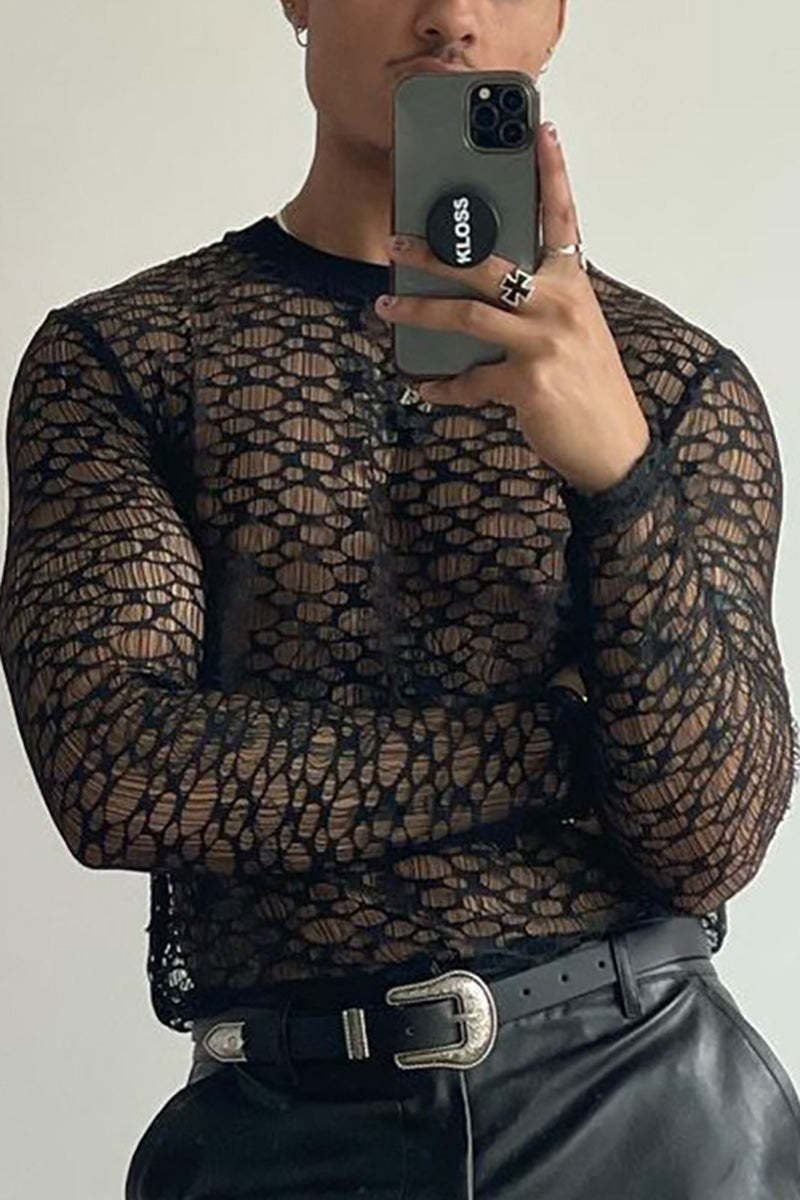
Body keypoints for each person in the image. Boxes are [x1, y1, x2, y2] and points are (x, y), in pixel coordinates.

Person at [1, 0, 799, 1196]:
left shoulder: (671, 381)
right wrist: (569, 741)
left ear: (556, 18)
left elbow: (708, 834)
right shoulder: (126, 356)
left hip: (643, 1113)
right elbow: (117, 775)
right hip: (278, 1134)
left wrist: (619, 477)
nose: (449, 16)